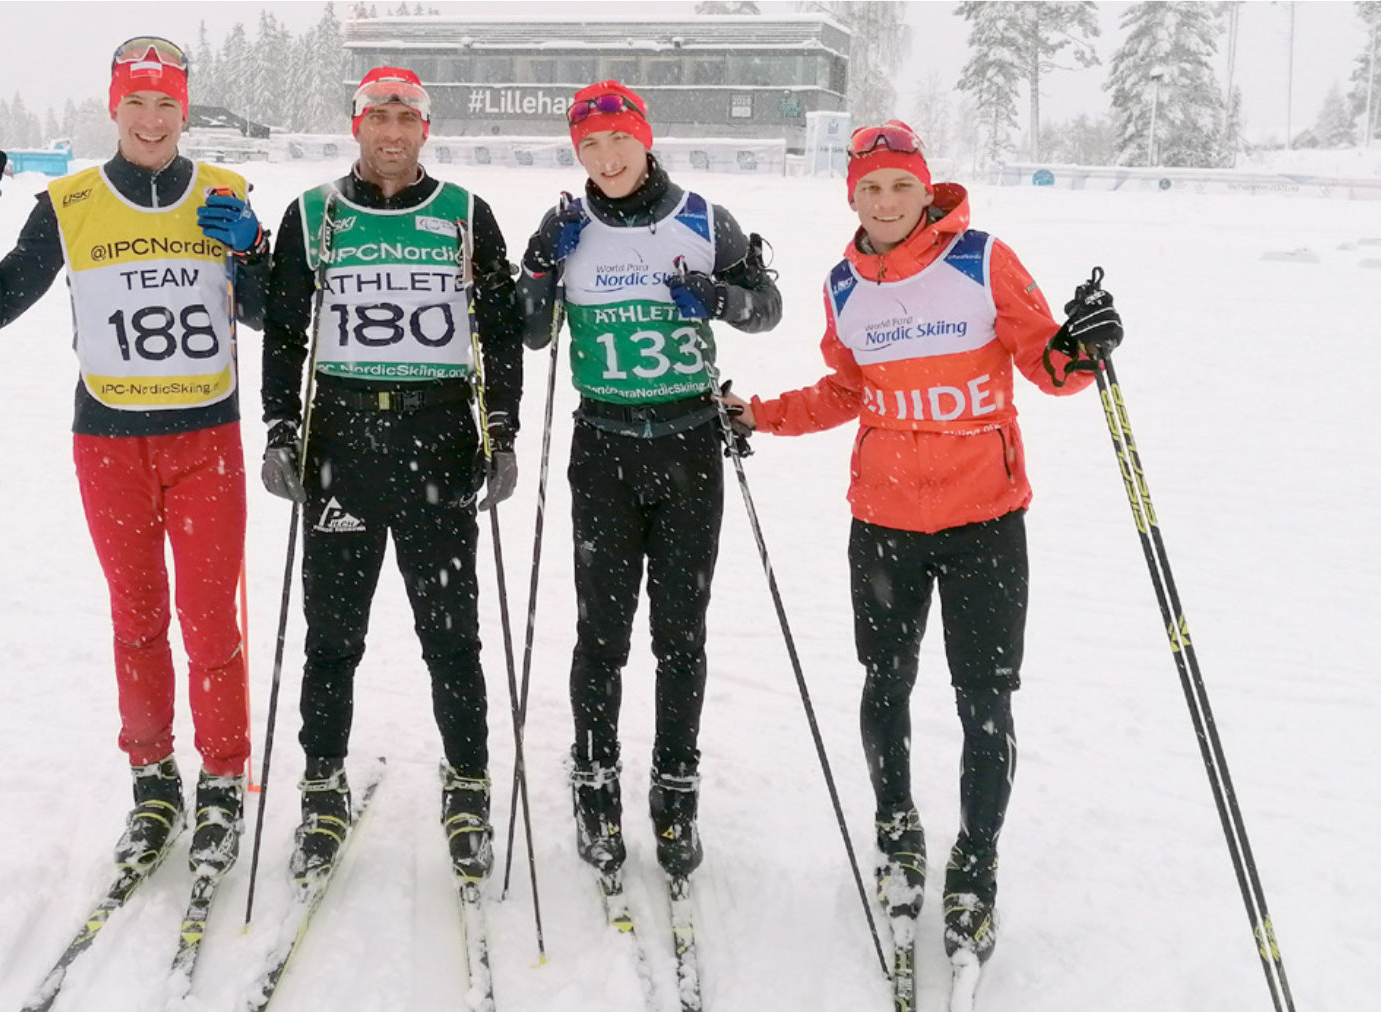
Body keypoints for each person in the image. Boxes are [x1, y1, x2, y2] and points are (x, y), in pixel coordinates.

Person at [727, 121, 1123, 960]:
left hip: (985, 520)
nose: (884, 203)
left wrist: (1084, 348)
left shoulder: (981, 259)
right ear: (852, 196)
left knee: (986, 702)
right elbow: (848, 390)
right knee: (886, 680)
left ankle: (975, 865)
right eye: (869, 189)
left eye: (899, 186)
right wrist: (759, 413)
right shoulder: (844, 284)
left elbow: (1048, 368)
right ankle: (897, 827)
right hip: (884, 522)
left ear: (924, 187)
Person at [0, 36, 270, 880]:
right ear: (114, 108)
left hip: (207, 438)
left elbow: (270, 314)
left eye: (166, 105)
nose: (152, 121)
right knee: (137, 618)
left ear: (184, 110)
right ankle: (153, 779)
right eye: (137, 104)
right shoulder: (73, 200)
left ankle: (224, 781)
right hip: (109, 441)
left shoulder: (227, 191)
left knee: (209, 622)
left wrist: (253, 251)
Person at [259, 67, 523, 885]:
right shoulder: (314, 212)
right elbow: (283, 331)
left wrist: (503, 431)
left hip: (439, 435)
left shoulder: (465, 214)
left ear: (425, 130)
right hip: (342, 440)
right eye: (379, 117)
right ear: (357, 126)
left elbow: (502, 331)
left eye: (406, 117)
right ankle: (322, 784)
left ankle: (469, 783)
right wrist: (280, 427)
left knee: (452, 635)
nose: (392, 132)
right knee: (333, 636)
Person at [517, 80, 781, 880]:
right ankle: (594, 780)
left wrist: (721, 297)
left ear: (644, 137)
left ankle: (676, 785)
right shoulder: (567, 224)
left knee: (680, 634)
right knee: (602, 633)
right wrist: (538, 267)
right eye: (589, 147)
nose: (605, 158)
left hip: (688, 447)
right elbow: (531, 333)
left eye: (617, 141)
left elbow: (766, 309)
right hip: (603, 447)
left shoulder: (704, 218)